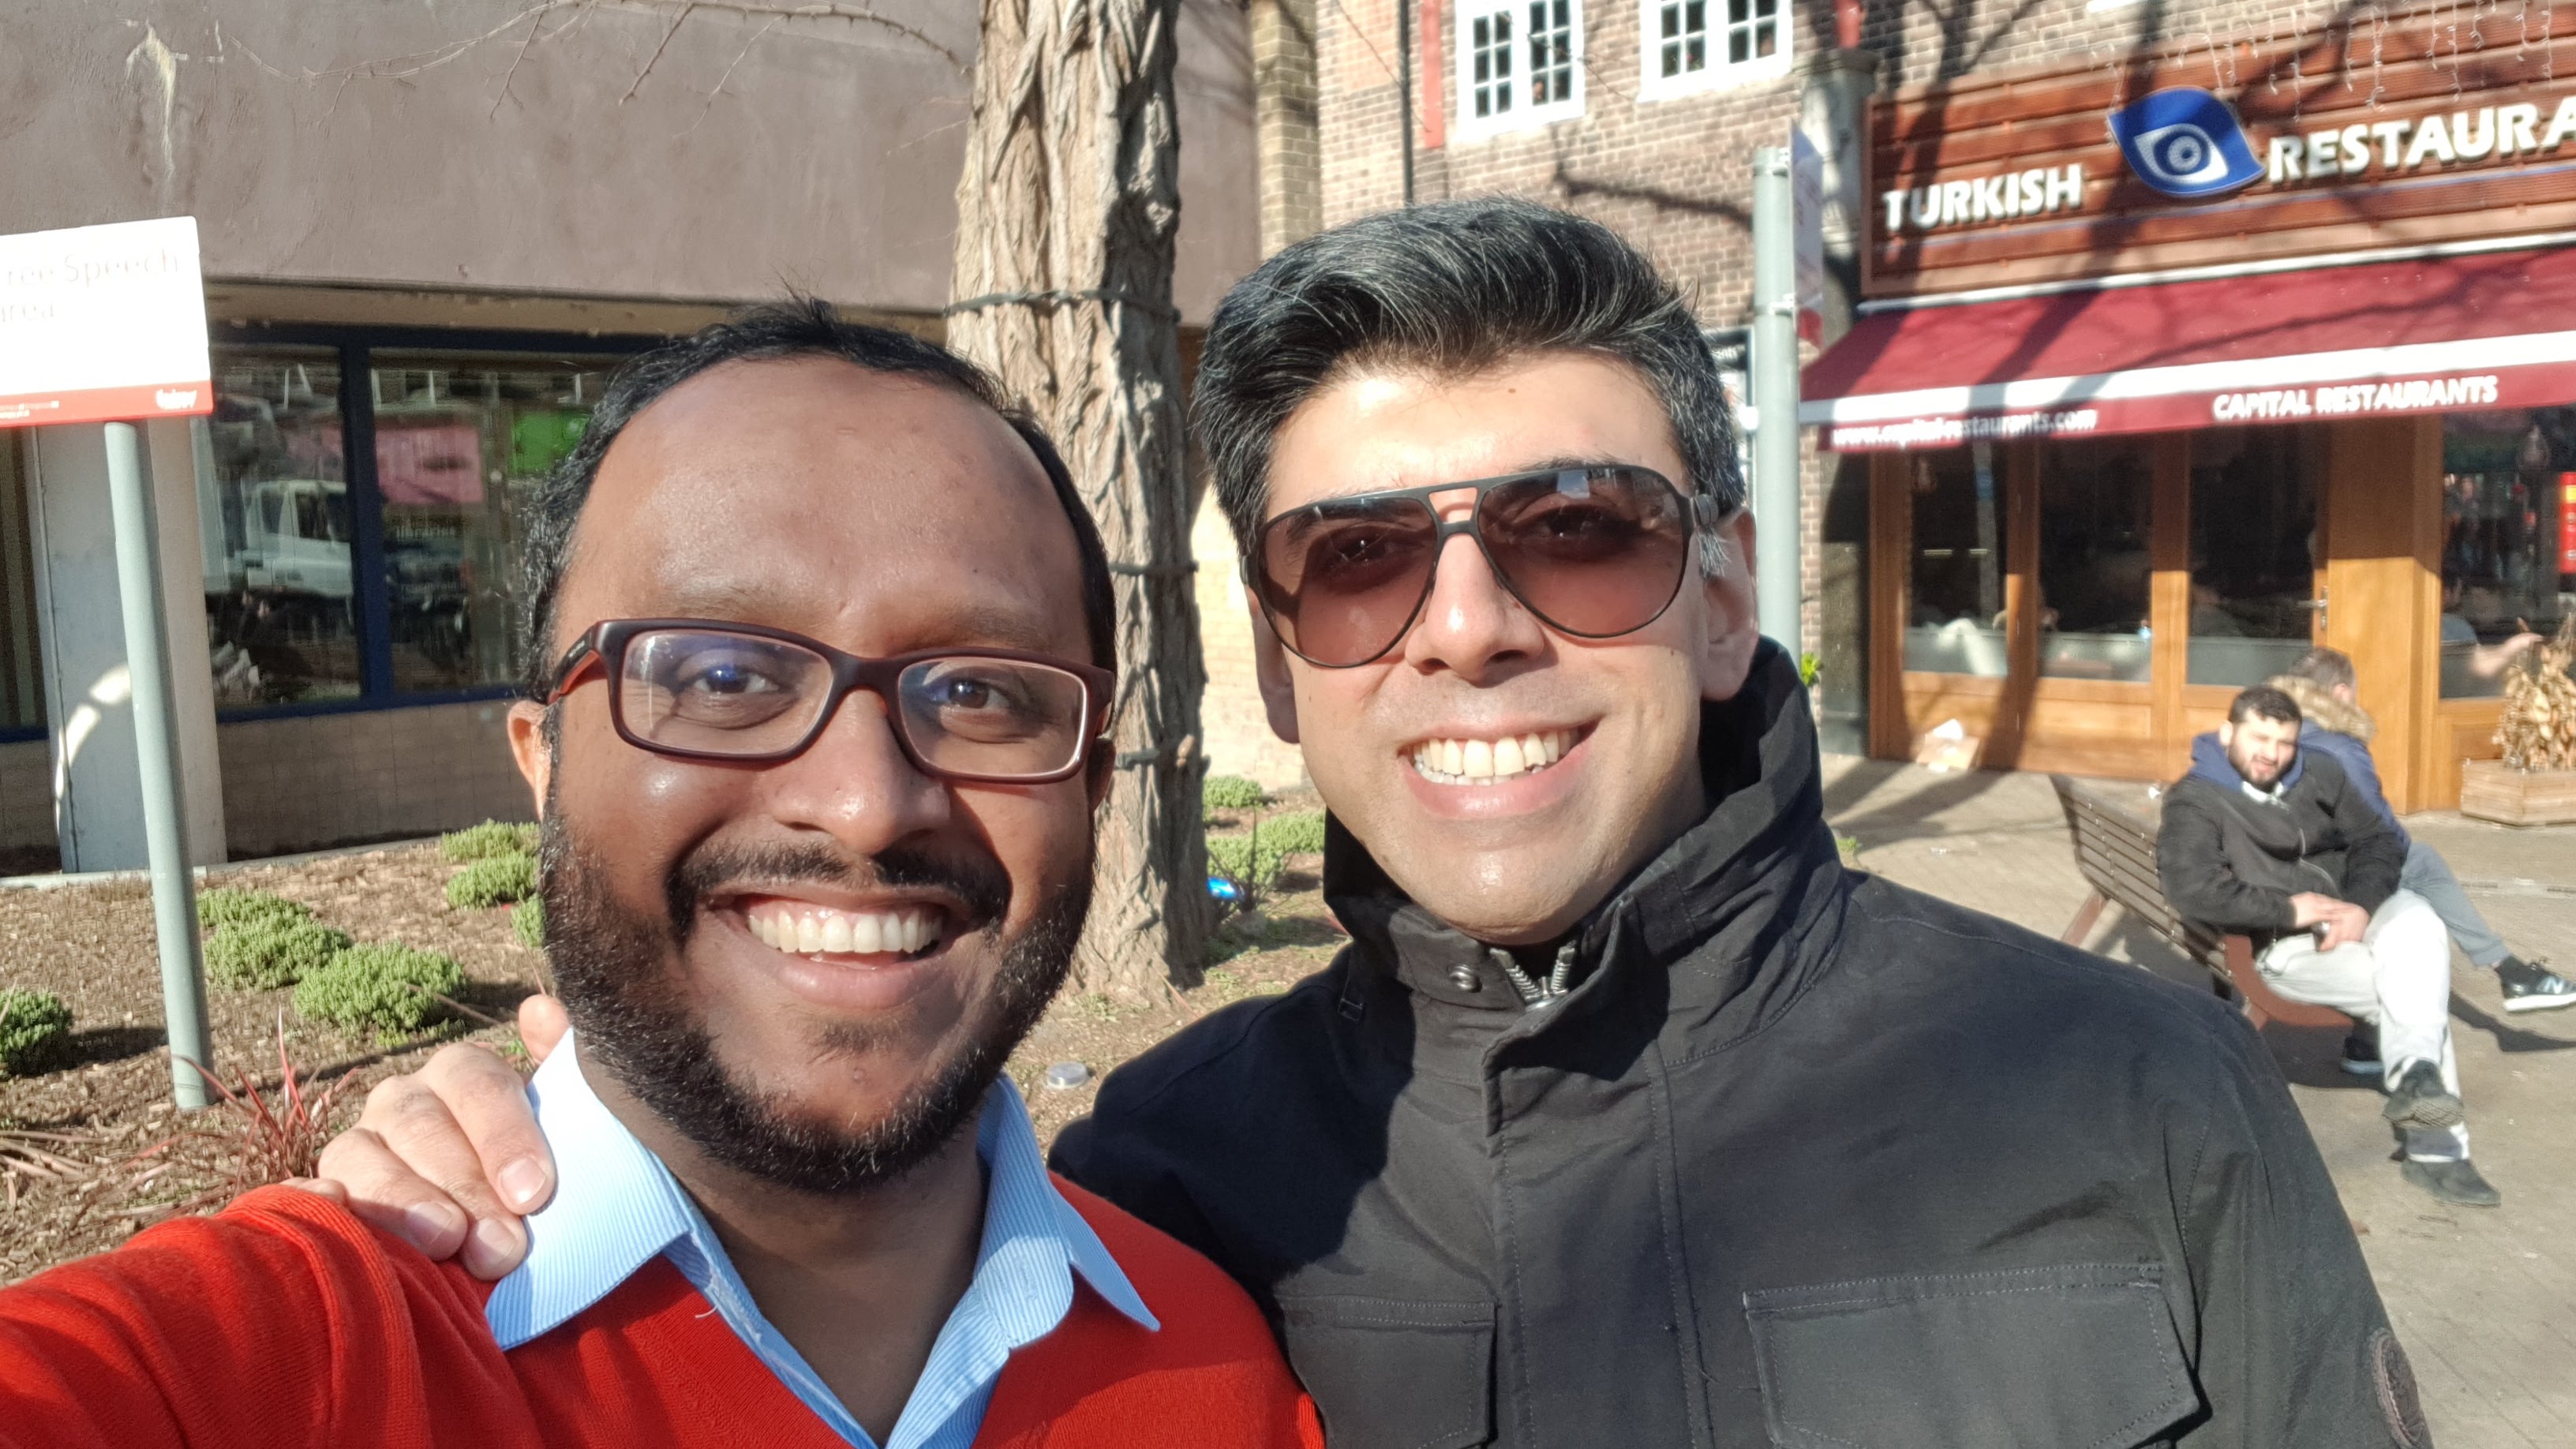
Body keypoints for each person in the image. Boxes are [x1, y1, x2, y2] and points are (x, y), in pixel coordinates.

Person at [313, 201, 2427, 1447]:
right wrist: (530, 1140)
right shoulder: (1159, 1193)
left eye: (1579, 530)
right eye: (1358, 561)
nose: (1471, 625)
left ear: (1720, 596)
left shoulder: (2126, 1091)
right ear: (1282, 657)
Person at [0, 305, 1318, 1449]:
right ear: (543, 759)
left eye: (978, 692)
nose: (864, 803)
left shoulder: (1228, 1370)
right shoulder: (261, 1370)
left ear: (1092, 780)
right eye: (722, 675)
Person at [2159, 685, 2502, 1208]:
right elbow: (2192, 889)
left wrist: (2362, 905)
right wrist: (2288, 910)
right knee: (2418, 990)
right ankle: (2439, 1153)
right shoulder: (2196, 799)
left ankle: (2418, 1081)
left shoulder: (2320, 771)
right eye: (2258, 738)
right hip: (2286, 947)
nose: (2271, 754)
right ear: (2228, 733)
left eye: (2284, 742)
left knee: (2419, 921)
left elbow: (2379, 840)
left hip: (2356, 915)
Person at [2271, 647, 2574, 1015]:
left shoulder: (2272, 738)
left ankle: (2504, 972)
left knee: (2410, 871)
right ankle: (2508, 971)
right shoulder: (2339, 749)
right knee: (2419, 861)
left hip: (2278, 868)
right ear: (2341, 694)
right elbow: (2383, 835)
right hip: (2315, 878)